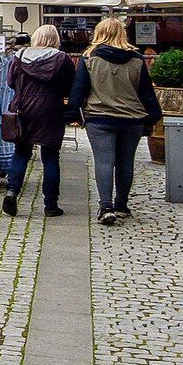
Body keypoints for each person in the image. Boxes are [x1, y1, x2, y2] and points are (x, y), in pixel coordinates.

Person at [71, 15, 162, 225]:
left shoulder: (89, 59)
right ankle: (121, 204)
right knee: (125, 162)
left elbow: (78, 91)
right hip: (132, 119)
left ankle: (105, 207)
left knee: (104, 161)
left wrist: (73, 114)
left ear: (99, 34)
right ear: (122, 34)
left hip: (99, 118)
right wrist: (153, 117)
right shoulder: (137, 60)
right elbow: (146, 93)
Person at [2, 24, 70, 218]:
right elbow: (69, 85)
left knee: (21, 153)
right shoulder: (61, 59)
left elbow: (10, 82)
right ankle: (50, 205)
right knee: (50, 156)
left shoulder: (20, 56)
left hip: (22, 108)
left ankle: (12, 191)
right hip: (50, 109)